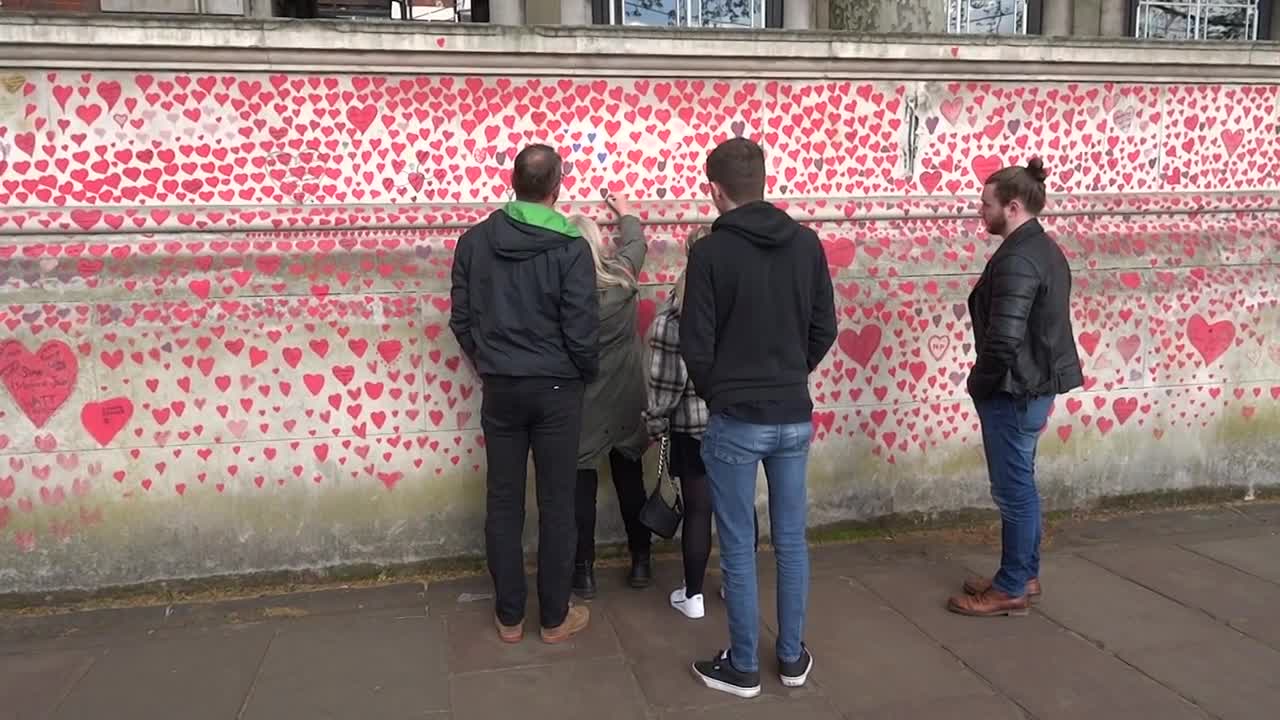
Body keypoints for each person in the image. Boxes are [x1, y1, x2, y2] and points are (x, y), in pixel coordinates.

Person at [679, 138, 837, 698]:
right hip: (793, 412)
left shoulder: (709, 254)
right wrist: (793, 373)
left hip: (736, 419)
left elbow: (694, 344)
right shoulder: (807, 245)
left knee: (740, 544)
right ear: (764, 181)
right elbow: (826, 329)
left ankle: (743, 666)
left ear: (714, 190)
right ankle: (791, 658)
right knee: (792, 540)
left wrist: (721, 394)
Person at [448, 144, 597, 645]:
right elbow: (581, 329)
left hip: (502, 388)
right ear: (558, 186)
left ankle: (509, 616)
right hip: (557, 389)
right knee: (558, 504)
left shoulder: (474, 241)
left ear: (513, 182)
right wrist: (582, 372)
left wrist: (488, 363)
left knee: (503, 500)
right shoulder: (572, 248)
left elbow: (461, 319)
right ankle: (554, 618)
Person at [947, 157, 1083, 618]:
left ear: (1013, 205)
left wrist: (979, 384)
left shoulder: (1020, 259)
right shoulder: (1039, 248)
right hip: (1030, 386)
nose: (979, 212)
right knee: (1021, 485)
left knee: (1013, 491)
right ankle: (1022, 573)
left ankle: (1010, 587)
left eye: (986, 205)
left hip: (1014, 390)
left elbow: (1004, 338)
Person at [644, 225, 760, 621]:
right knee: (742, 506)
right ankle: (735, 583)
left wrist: (655, 422)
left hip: (693, 428)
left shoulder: (675, 315)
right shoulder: (750, 303)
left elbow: (665, 384)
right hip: (742, 420)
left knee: (698, 510)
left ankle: (693, 595)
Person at [566, 194, 653, 599]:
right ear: (600, 246)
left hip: (584, 400)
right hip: (626, 397)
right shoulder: (623, 278)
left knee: (580, 486)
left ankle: (583, 572)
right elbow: (637, 244)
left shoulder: (567, 299)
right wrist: (626, 214)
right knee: (629, 477)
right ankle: (641, 560)